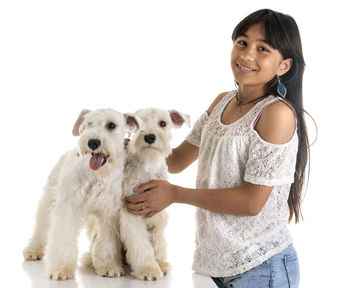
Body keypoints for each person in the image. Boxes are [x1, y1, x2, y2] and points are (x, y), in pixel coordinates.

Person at [125, 9, 309, 288]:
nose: (247, 55)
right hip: (213, 265)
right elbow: (174, 161)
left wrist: (174, 194)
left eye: (263, 49)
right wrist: (130, 145)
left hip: (262, 266)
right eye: (242, 42)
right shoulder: (221, 102)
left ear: (283, 65)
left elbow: (251, 202)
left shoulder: (276, 113)